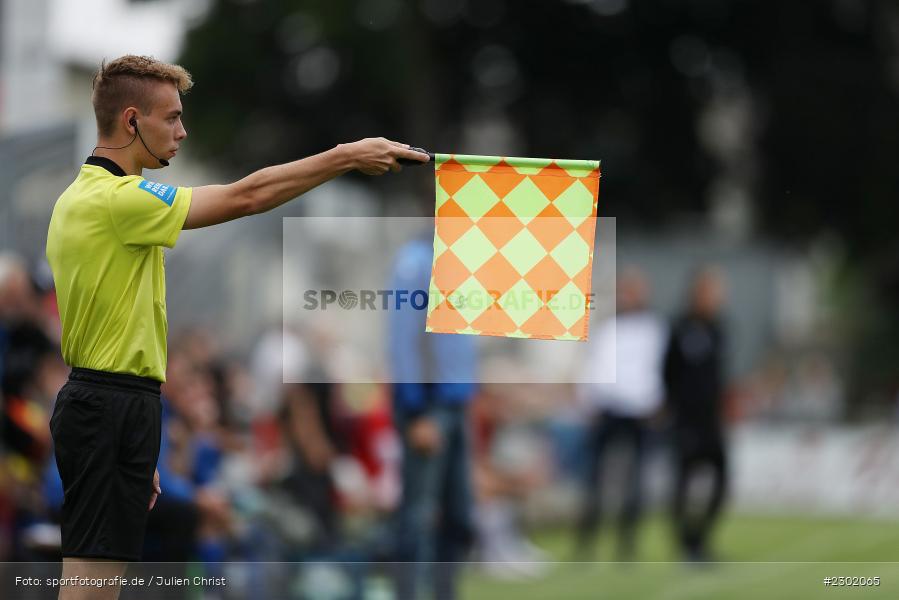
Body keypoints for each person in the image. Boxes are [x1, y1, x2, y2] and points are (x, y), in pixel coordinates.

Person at [45, 54, 429, 600]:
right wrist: (345, 156)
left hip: (120, 404)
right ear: (132, 122)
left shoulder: (100, 199)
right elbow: (246, 196)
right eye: (171, 118)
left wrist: (140, 439)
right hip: (107, 406)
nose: (182, 130)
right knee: (88, 591)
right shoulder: (115, 199)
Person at [387, 227, 478, 600]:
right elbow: (404, 337)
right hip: (428, 404)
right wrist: (418, 409)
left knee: (459, 515)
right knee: (419, 516)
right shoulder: (417, 259)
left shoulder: (461, 260)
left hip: (454, 403)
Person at [574, 267, 667, 560]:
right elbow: (594, 367)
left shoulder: (654, 329)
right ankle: (587, 542)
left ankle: (627, 544)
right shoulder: (608, 328)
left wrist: (655, 403)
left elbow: (657, 371)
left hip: (639, 412)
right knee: (596, 480)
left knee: (635, 482)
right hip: (608, 410)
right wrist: (589, 401)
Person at [663, 266, 729, 562]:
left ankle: (700, 539)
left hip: (711, 420)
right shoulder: (679, 328)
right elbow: (667, 372)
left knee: (721, 481)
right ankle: (685, 544)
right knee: (683, 481)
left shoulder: (719, 329)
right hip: (685, 420)